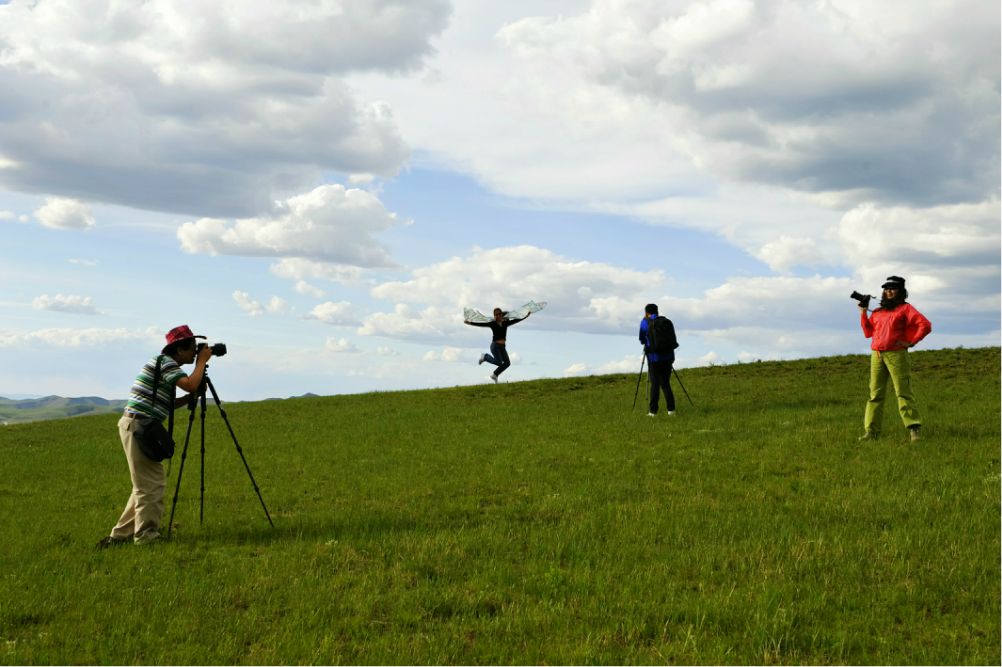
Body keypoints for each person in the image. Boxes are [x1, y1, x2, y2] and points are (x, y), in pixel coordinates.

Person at [98, 325, 214, 547]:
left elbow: (165, 404)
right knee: (151, 485)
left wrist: (190, 399)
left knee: (144, 484)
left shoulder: (164, 365)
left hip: (137, 424)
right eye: (192, 348)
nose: (195, 352)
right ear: (179, 349)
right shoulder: (167, 363)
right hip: (139, 425)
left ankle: (120, 536)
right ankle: (146, 537)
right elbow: (190, 385)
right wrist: (201, 364)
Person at [857, 276, 932, 442]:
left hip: (897, 354)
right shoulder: (878, 312)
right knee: (875, 395)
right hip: (877, 355)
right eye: (886, 288)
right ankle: (871, 432)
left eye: (892, 288)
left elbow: (925, 325)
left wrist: (911, 342)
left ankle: (914, 430)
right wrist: (863, 312)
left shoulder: (905, 309)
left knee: (903, 393)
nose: (888, 291)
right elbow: (868, 332)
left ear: (900, 291)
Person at [465, 307, 530, 383]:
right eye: (496, 315)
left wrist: (526, 316)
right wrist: (470, 323)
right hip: (495, 346)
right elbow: (481, 324)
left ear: (502, 315)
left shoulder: (505, 323)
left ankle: (495, 375)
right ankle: (485, 357)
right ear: (494, 316)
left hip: (502, 347)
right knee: (499, 363)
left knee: (507, 363)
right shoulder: (493, 324)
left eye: (499, 314)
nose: (497, 316)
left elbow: (516, 320)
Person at [639, 303, 677, 416]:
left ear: (646, 313)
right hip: (669, 357)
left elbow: (642, 339)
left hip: (654, 358)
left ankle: (653, 412)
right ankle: (671, 410)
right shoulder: (667, 322)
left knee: (655, 384)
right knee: (665, 383)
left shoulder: (645, 322)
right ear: (657, 311)